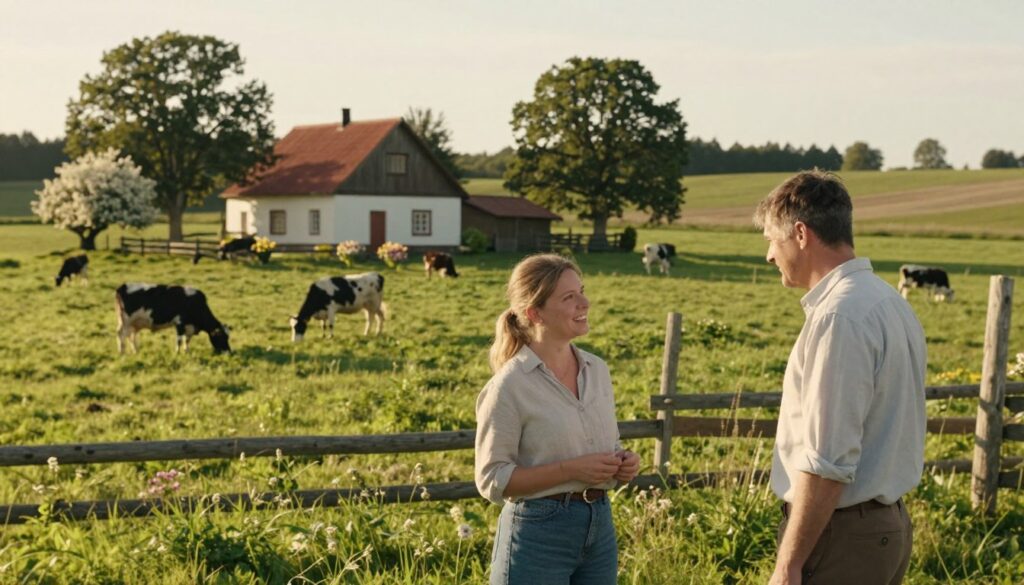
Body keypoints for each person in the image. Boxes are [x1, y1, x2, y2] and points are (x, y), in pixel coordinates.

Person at [753, 170, 927, 585]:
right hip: (881, 528)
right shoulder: (888, 301)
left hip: (841, 534)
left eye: (771, 241)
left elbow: (828, 459)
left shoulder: (840, 317)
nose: (769, 256)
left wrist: (789, 563)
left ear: (800, 234)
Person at [475, 253, 641, 585]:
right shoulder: (509, 386)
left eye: (581, 290)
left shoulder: (597, 371)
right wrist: (572, 470)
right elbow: (492, 479)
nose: (585, 302)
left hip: (600, 525)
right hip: (537, 535)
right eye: (569, 297)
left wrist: (623, 463)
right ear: (534, 313)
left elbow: (602, 443)